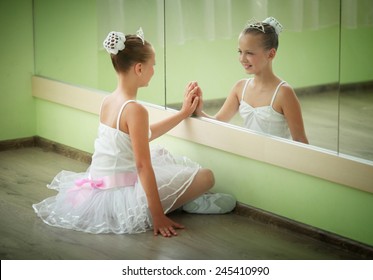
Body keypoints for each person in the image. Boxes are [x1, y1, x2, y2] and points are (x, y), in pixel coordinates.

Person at [33, 28, 236, 238]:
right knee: (206, 177)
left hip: (98, 190)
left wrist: (183, 113)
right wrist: (158, 216)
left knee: (162, 156)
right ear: (139, 68)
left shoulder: (108, 101)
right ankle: (186, 203)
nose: (154, 70)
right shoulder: (135, 110)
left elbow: (142, 135)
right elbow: (142, 165)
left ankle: (181, 200)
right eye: (153, 65)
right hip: (123, 199)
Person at [194, 17, 308, 144]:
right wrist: (198, 110)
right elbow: (218, 122)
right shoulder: (240, 88)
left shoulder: (284, 93)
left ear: (271, 54)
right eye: (240, 51)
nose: (242, 59)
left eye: (249, 53)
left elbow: (300, 140)